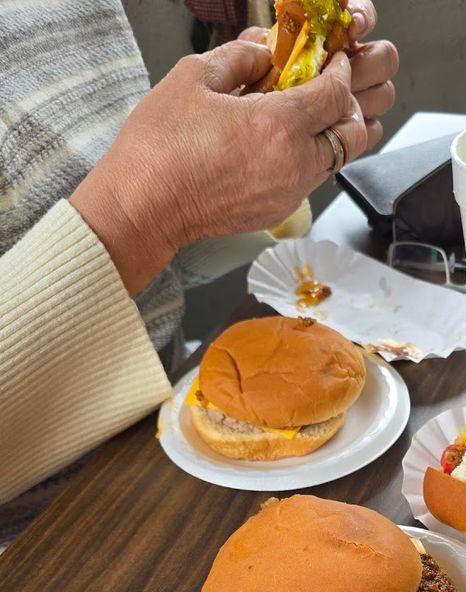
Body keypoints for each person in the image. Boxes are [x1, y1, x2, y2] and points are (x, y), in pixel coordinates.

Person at [0, 0, 399, 546]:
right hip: (37, 556)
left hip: (163, 444)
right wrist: (145, 211)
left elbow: (147, 282)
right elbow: (131, 212)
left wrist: (254, 158)